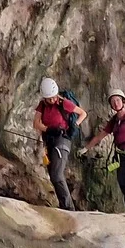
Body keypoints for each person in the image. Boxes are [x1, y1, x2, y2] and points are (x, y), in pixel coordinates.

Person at [78, 90, 125, 212]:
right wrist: (85, 149)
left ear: (123, 101)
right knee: (124, 182)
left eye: (118, 100)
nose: (115, 103)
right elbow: (100, 136)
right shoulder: (114, 120)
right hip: (121, 156)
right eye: (113, 101)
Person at [32, 77, 87, 210]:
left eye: (53, 97)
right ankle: (64, 206)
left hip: (63, 139)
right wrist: (48, 129)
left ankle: (69, 209)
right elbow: (36, 123)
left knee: (57, 174)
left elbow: (82, 113)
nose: (52, 100)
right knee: (53, 175)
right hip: (50, 139)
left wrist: (75, 125)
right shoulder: (42, 105)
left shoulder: (63, 103)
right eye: (49, 98)